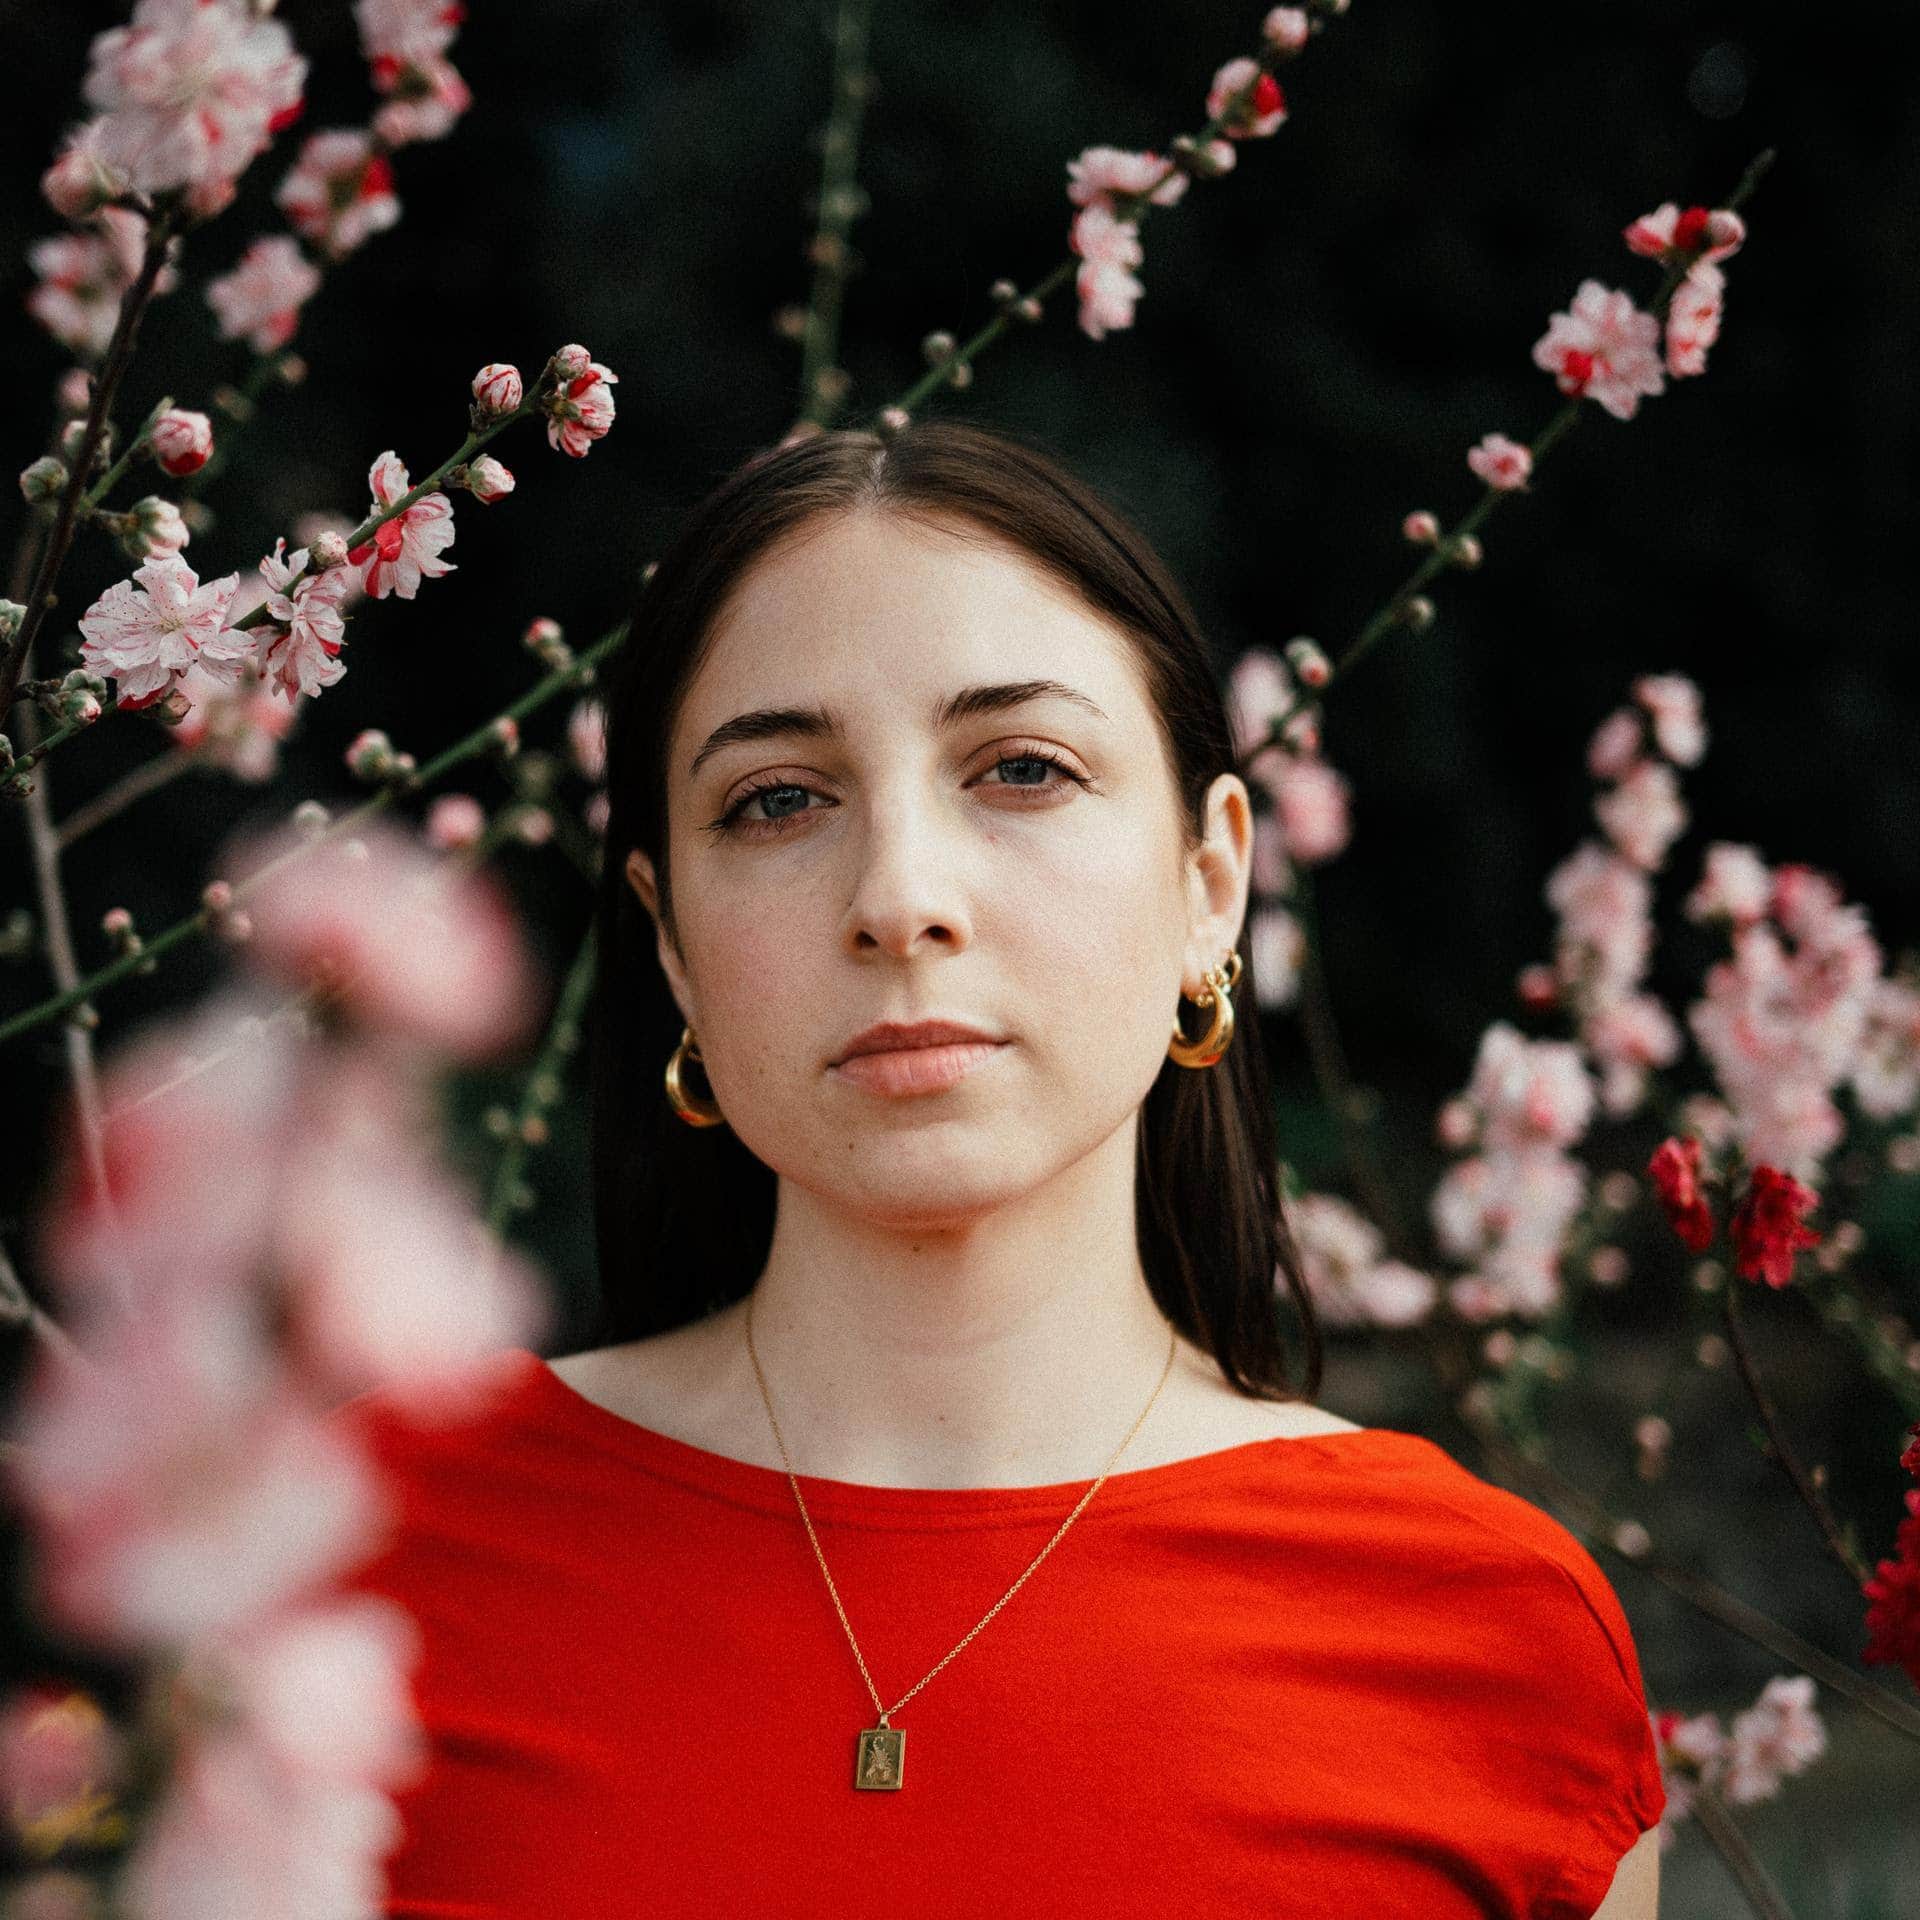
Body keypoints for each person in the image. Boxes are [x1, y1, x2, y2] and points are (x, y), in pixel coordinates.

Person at [332, 420, 1664, 1916]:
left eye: (1022, 768)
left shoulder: (1491, 1640)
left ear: (1209, 881)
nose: (901, 898)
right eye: (777, 799)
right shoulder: (345, 1562)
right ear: (671, 943)